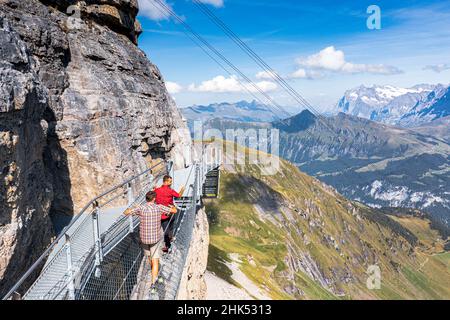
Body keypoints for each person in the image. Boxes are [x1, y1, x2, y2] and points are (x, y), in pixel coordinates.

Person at [124, 191, 176, 284]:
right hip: (155, 239)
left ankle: (155, 275)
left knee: (149, 258)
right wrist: (172, 207)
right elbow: (174, 211)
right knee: (155, 261)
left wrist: (134, 209)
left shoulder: (141, 208)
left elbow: (126, 212)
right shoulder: (159, 207)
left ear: (146, 199)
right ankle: (153, 283)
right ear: (154, 199)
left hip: (144, 239)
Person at [154, 175, 185, 252]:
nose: (171, 183)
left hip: (161, 213)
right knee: (170, 226)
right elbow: (179, 195)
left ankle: (168, 241)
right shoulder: (170, 191)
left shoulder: (157, 190)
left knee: (166, 228)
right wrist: (182, 189)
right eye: (170, 181)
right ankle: (168, 245)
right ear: (166, 181)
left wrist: (154, 189)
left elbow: (153, 198)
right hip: (171, 211)